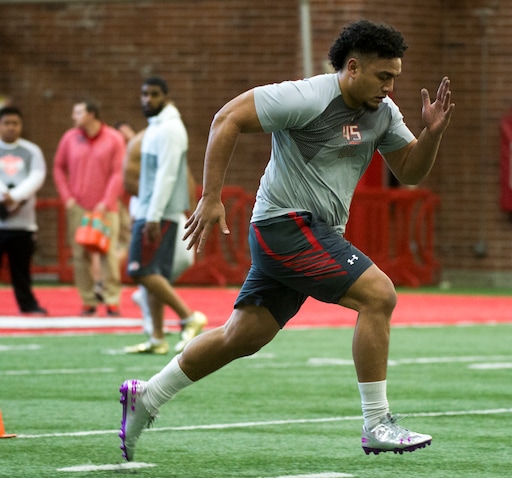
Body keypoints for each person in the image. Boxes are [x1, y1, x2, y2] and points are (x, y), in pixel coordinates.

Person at [119, 20, 454, 461]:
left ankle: (147, 395)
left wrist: (432, 134)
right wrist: (211, 197)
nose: (390, 88)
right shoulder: (308, 96)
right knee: (379, 296)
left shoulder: (384, 113)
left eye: (395, 78)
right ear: (352, 67)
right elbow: (227, 118)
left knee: (243, 336)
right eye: (383, 76)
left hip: (313, 234)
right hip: (285, 226)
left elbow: (409, 172)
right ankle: (377, 423)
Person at [122, 77, 206, 355]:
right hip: (151, 210)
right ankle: (157, 337)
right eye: (144, 94)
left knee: (140, 270)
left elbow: (168, 176)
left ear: (166, 97)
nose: (147, 100)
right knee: (153, 272)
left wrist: (154, 216)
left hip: (158, 213)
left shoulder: (170, 129)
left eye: (154, 95)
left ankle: (188, 317)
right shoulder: (157, 128)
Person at [120, 120, 197, 337]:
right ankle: (183, 317)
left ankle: (155, 325)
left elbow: (184, 178)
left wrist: (189, 209)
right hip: (149, 215)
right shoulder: (139, 149)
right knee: (145, 271)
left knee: (178, 262)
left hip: (169, 213)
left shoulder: (168, 150)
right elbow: (129, 182)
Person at [53, 101, 125, 317]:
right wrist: (67, 197)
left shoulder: (114, 138)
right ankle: (88, 300)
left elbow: (117, 172)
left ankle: (112, 300)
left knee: (108, 253)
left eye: (78, 112)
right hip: (79, 208)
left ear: (91, 115)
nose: (73, 116)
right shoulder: (69, 138)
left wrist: (107, 200)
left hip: (107, 208)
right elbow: (58, 167)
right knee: (79, 254)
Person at [0, 106, 48, 315]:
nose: (11, 128)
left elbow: (37, 176)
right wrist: (4, 195)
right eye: (6, 123)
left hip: (23, 222)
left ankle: (27, 304)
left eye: (15, 123)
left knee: (21, 269)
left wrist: (16, 196)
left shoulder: (31, 151)